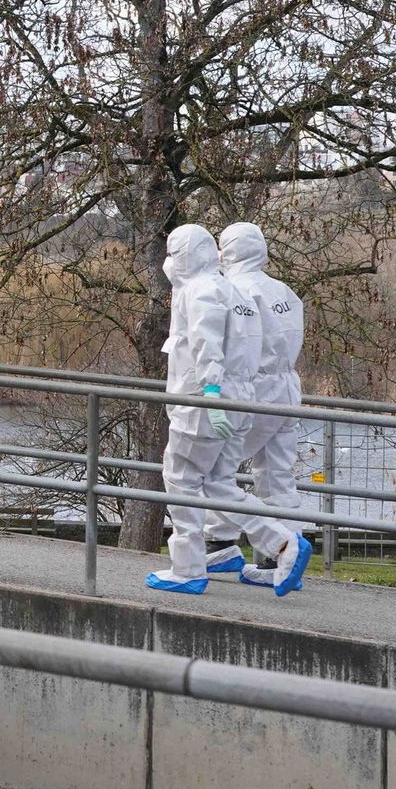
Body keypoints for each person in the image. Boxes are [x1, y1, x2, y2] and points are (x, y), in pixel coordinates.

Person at [146, 224, 311, 597]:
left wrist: (211, 393)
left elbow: (206, 347)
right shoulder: (257, 292)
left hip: (209, 400)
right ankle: (283, 544)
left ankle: (190, 566)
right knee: (237, 480)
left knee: (183, 480)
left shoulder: (210, 290)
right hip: (259, 393)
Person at [199, 222, 309, 588]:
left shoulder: (231, 290)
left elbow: (230, 347)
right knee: (277, 475)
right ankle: (281, 560)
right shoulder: (284, 291)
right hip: (287, 390)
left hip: (252, 389)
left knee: (215, 469)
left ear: (226, 250)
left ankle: (221, 544)